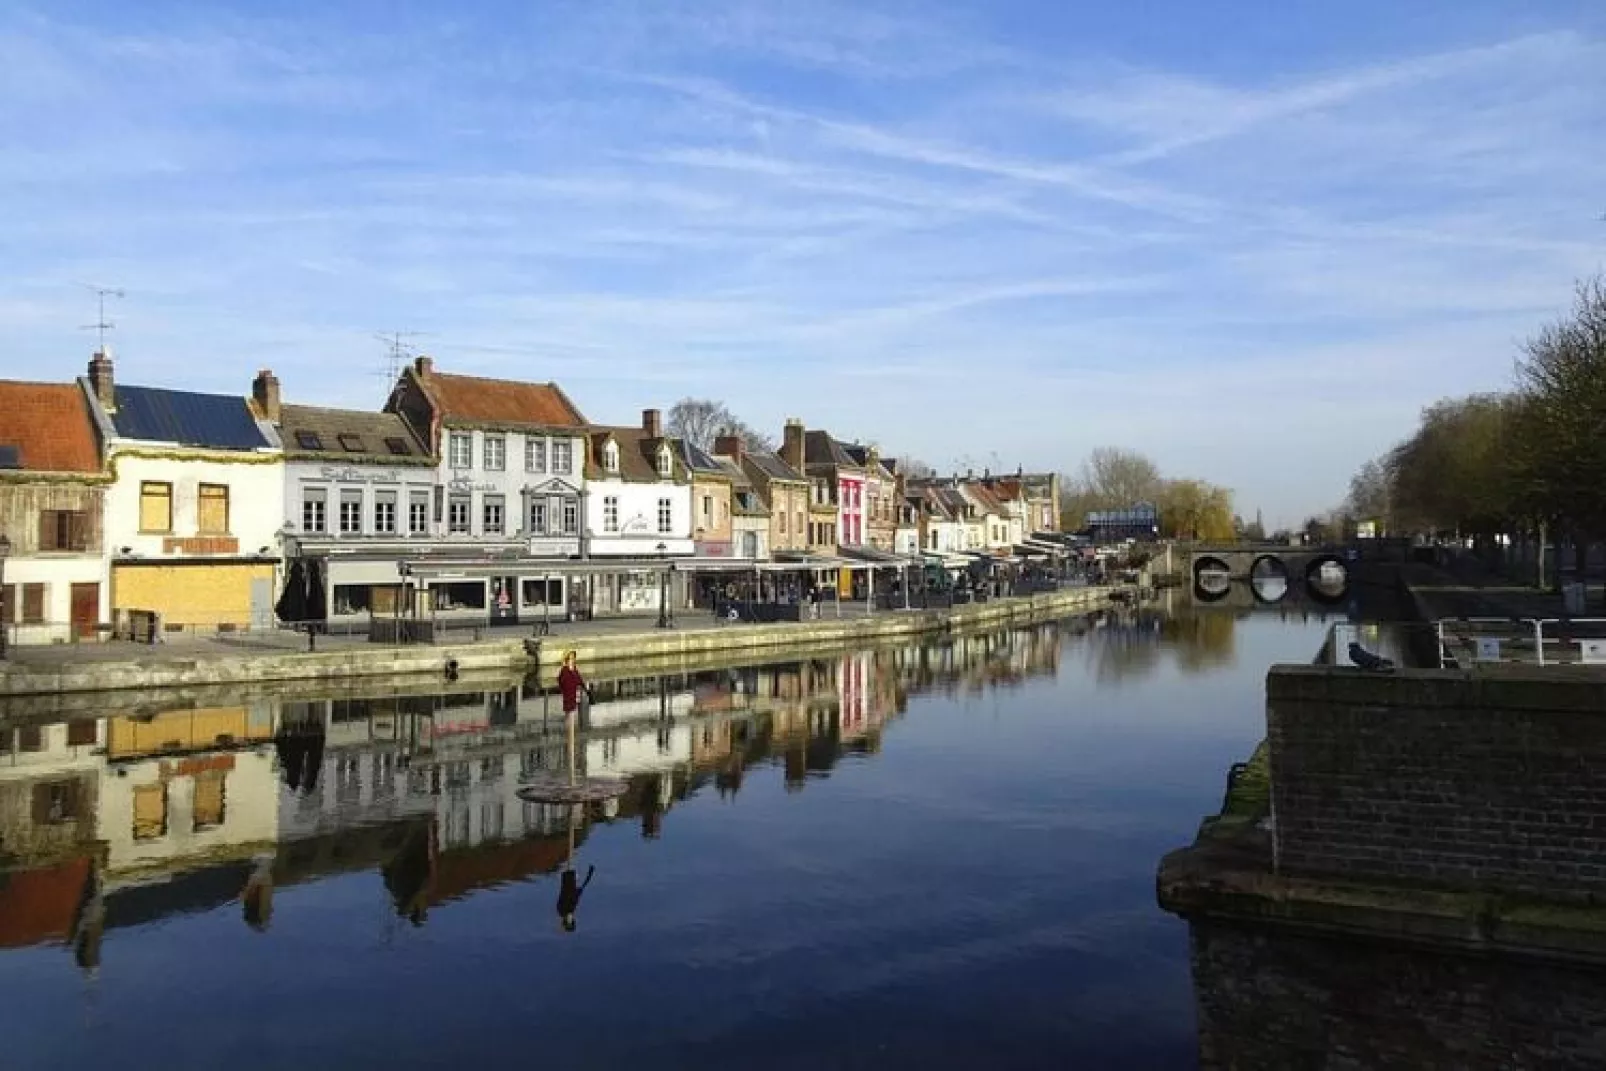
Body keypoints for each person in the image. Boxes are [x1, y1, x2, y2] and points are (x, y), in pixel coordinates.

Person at [556, 863, 595, 932]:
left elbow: (573, 894)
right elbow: (575, 894)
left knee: (569, 861)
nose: (573, 918)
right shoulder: (564, 910)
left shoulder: (565, 910)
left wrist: (590, 873)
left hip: (569, 877)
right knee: (569, 861)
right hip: (568, 877)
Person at [557, 650, 589, 715]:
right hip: (568, 694)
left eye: (573, 658)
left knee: (571, 714)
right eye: (570, 659)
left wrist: (585, 688)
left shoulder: (574, 668)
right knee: (569, 714)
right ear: (566, 660)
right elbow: (560, 681)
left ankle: (571, 725)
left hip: (574, 693)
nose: (571, 660)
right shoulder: (565, 669)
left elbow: (579, 679)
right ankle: (570, 725)